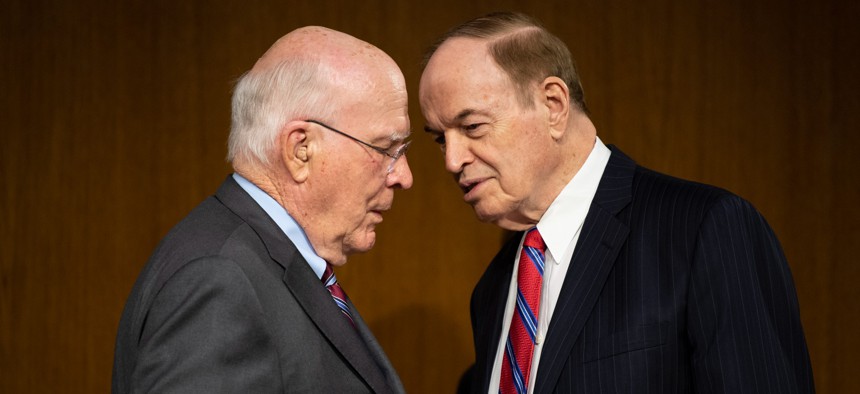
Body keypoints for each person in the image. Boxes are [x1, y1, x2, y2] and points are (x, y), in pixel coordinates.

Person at [419, 12, 814, 394]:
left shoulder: (704, 229)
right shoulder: (494, 288)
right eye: (440, 139)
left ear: (553, 105)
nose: (453, 160)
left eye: (472, 127)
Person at [112, 26, 412, 393]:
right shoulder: (220, 280)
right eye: (386, 150)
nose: (404, 176)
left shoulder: (253, 262)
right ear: (300, 149)